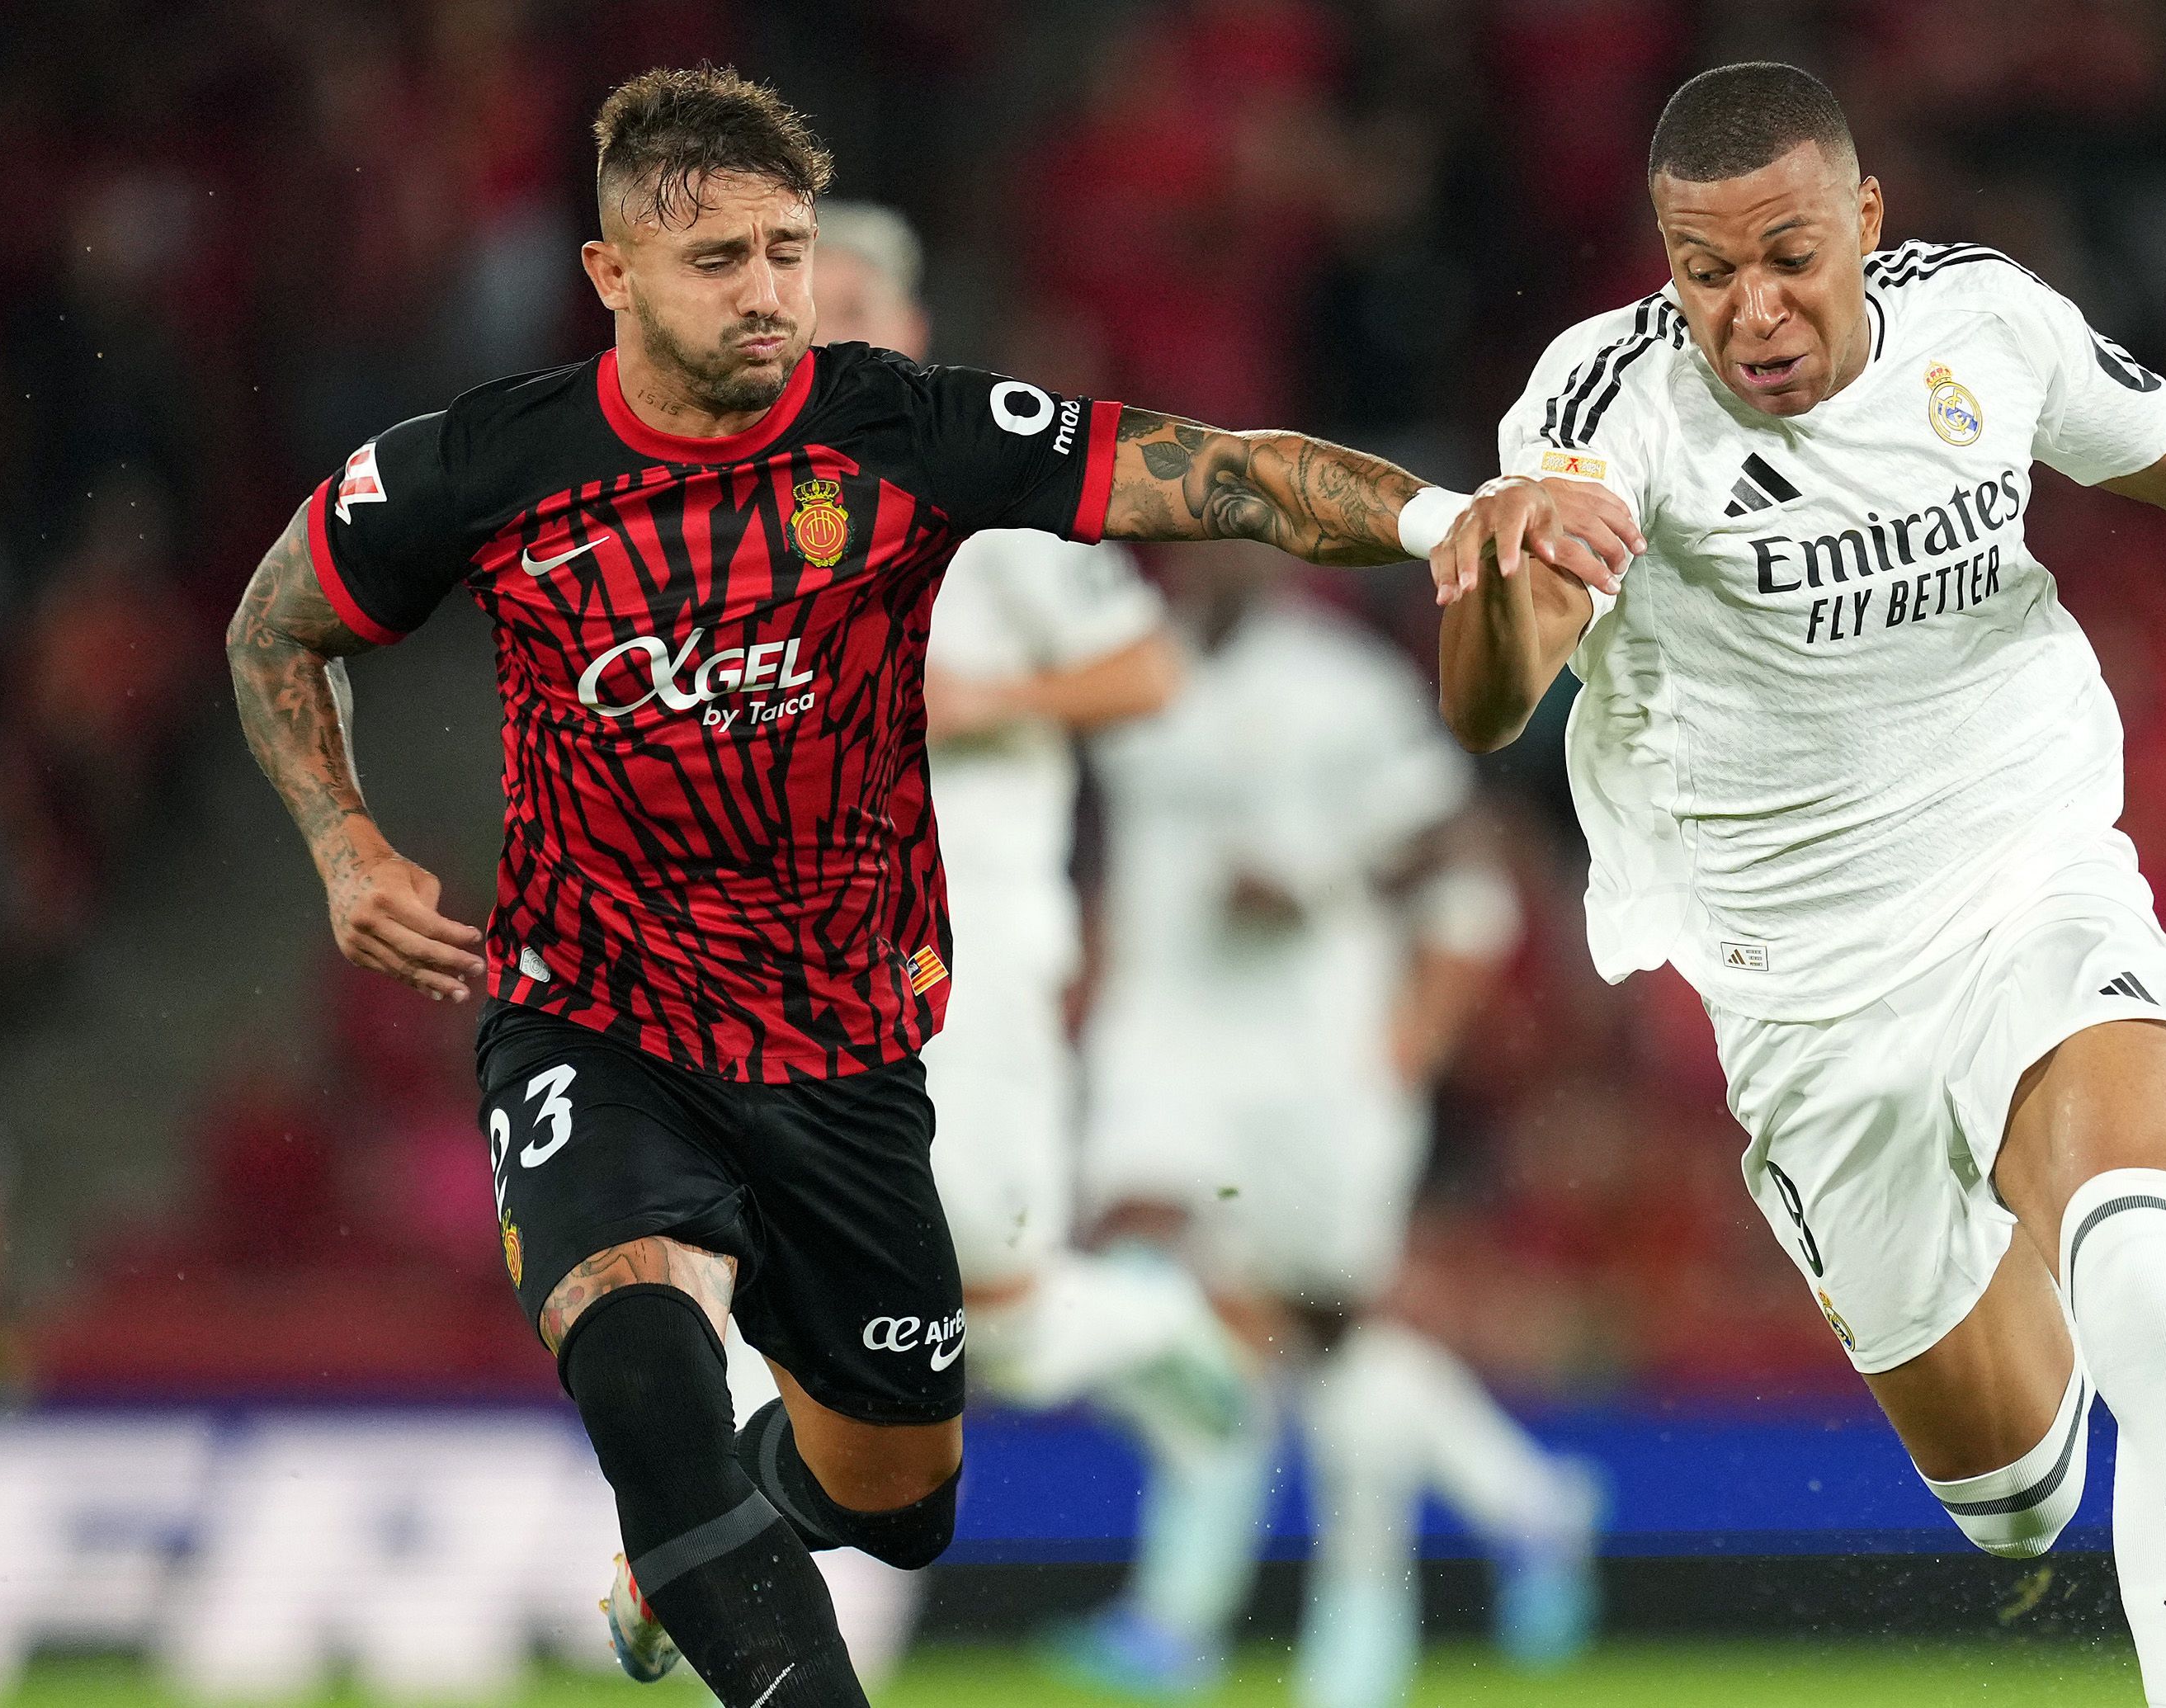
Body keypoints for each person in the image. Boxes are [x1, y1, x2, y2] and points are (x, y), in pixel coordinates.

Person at [224, 67, 1624, 1708]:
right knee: (635, 1340)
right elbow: (276, 624)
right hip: (593, 1014)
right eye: (718, 262)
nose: (767, 294)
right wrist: (343, 841)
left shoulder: (895, 433)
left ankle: (730, 1508)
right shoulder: (479, 465)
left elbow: (1210, 471)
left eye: (785, 251)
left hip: (847, 1049)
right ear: (610, 277)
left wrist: (1450, 513)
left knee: (897, 1492)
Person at [1431, 63, 2166, 1708]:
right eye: (1705, 272)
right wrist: (1502, 577)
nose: (1750, 311)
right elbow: (1487, 706)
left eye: (1789, 257)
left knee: (2159, 1298)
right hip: (1812, 1004)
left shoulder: (1984, 320)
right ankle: (2059, 1152)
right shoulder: (1600, 408)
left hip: (2026, 879)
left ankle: (2115, 1116)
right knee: (2019, 1504)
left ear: (1866, 226)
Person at [710, 198, 1258, 1687]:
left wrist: (968, 708)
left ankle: (1157, 1327)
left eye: (861, 309)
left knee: (998, 1326)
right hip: (796, 965)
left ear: (917, 329)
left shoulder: (976, 494)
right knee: (768, 1272)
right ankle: (711, 1539)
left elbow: (1144, 667)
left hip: (979, 956)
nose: (832, 338)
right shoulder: (740, 519)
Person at [1063, 543, 1602, 1708]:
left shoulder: (1345, 686)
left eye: (1245, 522)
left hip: (1312, 1065)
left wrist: (1320, 885)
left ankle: (1341, 1628)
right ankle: (1513, 1510)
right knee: (1142, 1282)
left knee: (1326, 1344)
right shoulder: (1131, 670)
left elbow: (1457, 835)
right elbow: (1125, 853)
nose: (1221, 546)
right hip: (1164, 1056)